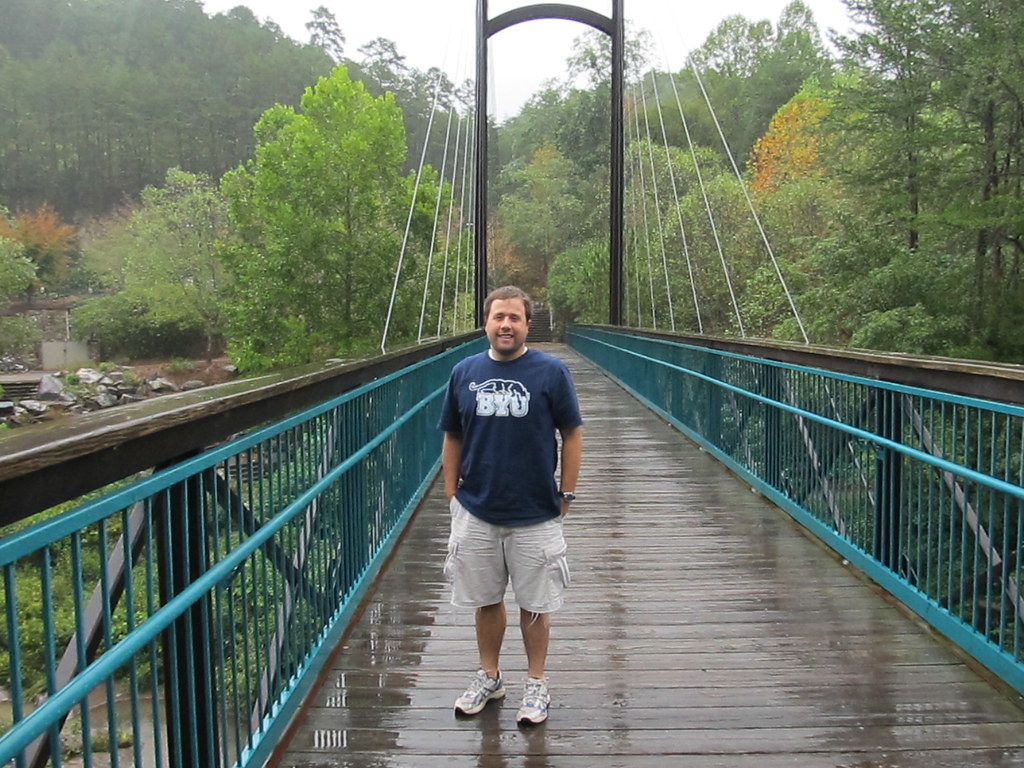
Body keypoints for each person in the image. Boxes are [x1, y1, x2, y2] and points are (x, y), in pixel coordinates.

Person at [438, 285, 583, 726]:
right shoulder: (463, 372)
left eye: (514, 318)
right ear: (485, 323)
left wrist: (566, 493)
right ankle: (490, 676)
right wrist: (451, 496)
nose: (506, 325)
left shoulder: (551, 372)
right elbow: (452, 435)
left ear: (527, 324)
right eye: (498, 317)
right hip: (477, 508)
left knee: (536, 606)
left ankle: (536, 683)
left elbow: (572, 433)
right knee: (485, 600)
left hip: (536, 510)